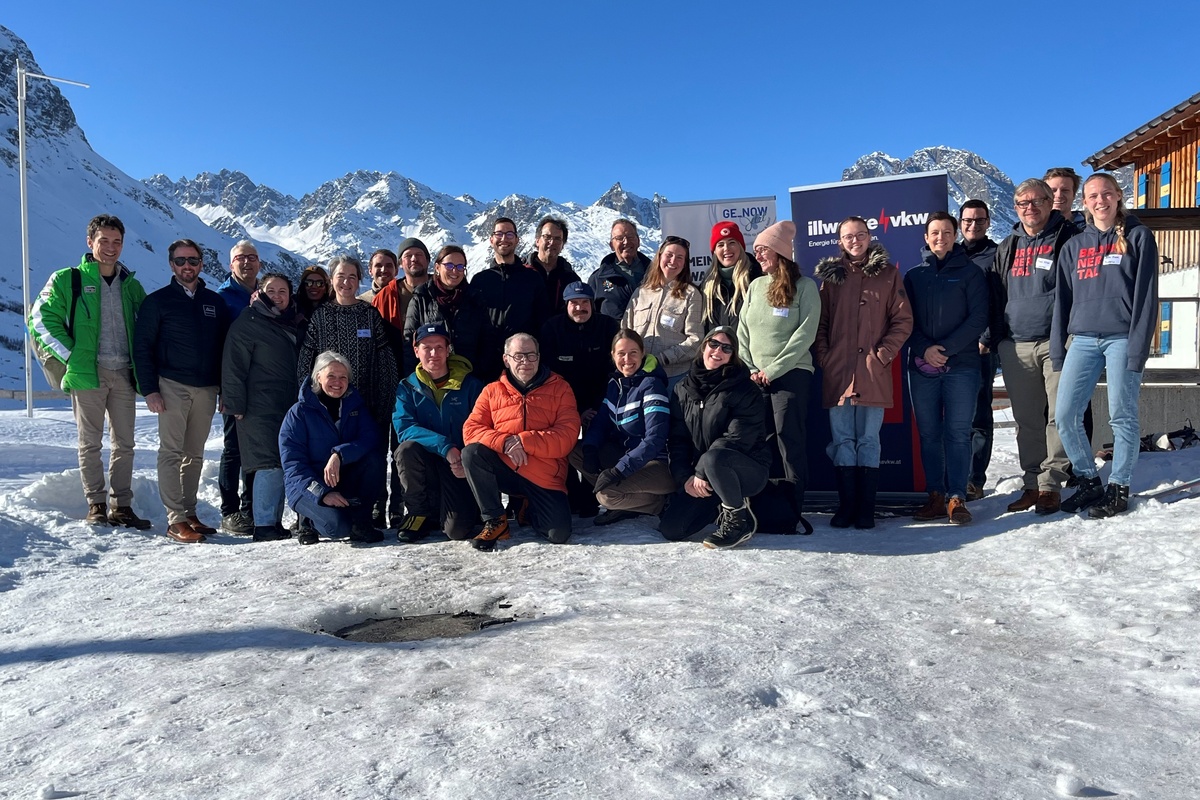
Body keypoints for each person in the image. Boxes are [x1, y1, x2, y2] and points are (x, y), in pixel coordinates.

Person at [28, 214, 150, 529]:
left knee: (125, 444)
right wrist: (72, 356)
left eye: (117, 241)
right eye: (103, 240)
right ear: (90, 242)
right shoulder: (67, 279)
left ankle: (122, 506)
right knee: (90, 443)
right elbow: (40, 318)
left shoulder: (131, 285)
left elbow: (149, 327)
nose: (111, 247)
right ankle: (96, 504)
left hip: (124, 374)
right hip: (87, 375)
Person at [1053, 172, 1159, 518]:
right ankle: (1088, 481)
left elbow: (1146, 297)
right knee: (1065, 415)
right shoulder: (1074, 247)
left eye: (1106, 194)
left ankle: (1119, 487)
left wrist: (1138, 346)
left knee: (1121, 415)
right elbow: (1062, 302)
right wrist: (1058, 349)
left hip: (1122, 338)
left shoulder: (1138, 237)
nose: (1100, 201)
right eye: (1093, 196)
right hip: (1082, 339)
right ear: (1084, 202)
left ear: (1118, 196)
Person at [813, 216, 912, 530]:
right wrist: (825, 357)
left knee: (869, 440)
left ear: (869, 237)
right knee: (842, 440)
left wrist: (882, 355)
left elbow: (903, 321)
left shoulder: (889, 274)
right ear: (840, 242)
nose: (854, 241)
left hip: (872, 372)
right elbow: (821, 322)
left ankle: (866, 509)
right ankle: (847, 507)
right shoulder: (831, 279)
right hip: (839, 373)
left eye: (860, 235)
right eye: (848, 236)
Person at [133, 239, 231, 543]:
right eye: (180, 261)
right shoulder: (157, 302)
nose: (187, 266)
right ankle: (175, 519)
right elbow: (142, 348)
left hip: (207, 388)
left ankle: (189, 513)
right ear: (171, 264)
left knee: (195, 454)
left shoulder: (214, 302)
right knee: (171, 453)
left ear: (201, 263)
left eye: (192, 260)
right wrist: (150, 389)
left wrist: (224, 389)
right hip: (171, 385)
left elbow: (224, 349)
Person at [990, 179, 1078, 515]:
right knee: (1027, 420)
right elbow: (996, 293)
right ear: (1015, 207)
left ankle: (1051, 486)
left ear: (1049, 202)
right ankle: (1031, 483)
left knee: (1059, 416)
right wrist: (996, 337)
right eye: (1022, 203)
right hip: (1016, 345)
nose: (1030, 208)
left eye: (1037, 201)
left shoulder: (1068, 237)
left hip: (1058, 341)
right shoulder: (1008, 245)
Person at [299, 255, 399, 529]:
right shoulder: (321, 316)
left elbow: (385, 361)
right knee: (325, 455)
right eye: (341, 276)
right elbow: (306, 360)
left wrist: (385, 400)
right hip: (327, 407)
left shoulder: (369, 314)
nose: (346, 282)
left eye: (352, 277)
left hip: (367, 404)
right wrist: (308, 399)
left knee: (370, 456)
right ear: (332, 280)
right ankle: (316, 513)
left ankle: (373, 508)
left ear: (359, 280)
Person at [904, 213, 989, 525]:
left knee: (957, 433)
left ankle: (956, 497)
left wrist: (946, 349)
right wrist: (925, 349)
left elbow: (979, 318)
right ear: (926, 238)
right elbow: (903, 321)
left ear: (955, 236)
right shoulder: (913, 276)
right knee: (929, 434)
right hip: (922, 366)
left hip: (961, 366)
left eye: (947, 232)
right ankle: (935, 496)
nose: (940, 237)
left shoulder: (971, 272)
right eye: (935, 233)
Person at [738, 220, 821, 534]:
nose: (757, 255)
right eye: (756, 250)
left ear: (781, 252)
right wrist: (750, 368)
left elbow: (805, 334)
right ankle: (766, 509)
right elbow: (742, 330)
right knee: (763, 443)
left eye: (763, 250)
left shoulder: (805, 287)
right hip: (755, 379)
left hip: (791, 374)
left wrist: (771, 370)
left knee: (789, 441)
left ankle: (792, 511)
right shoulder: (755, 286)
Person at [461, 334, 581, 550]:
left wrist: (524, 440)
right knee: (472, 453)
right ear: (506, 359)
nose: (525, 361)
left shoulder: (560, 388)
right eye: (518, 356)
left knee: (558, 534)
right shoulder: (491, 391)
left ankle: (528, 507)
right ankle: (496, 520)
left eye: (530, 355)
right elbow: (471, 429)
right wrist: (505, 441)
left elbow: (567, 436)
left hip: (543, 476)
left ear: (539, 357)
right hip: (505, 468)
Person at [659, 327, 772, 549]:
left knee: (713, 458)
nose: (718, 351)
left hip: (745, 470)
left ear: (733, 355)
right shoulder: (682, 389)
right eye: (714, 344)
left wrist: (702, 469)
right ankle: (718, 506)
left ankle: (738, 521)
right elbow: (678, 440)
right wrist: (685, 478)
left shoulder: (746, 389)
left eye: (726, 348)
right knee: (672, 529)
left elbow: (738, 437)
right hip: (702, 477)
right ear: (704, 347)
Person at [221, 272, 305, 541]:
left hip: (286, 402)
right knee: (268, 462)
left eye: (283, 291)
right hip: (258, 404)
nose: (277, 296)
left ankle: (273, 522)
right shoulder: (249, 321)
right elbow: (233, 366)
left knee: (279, 460)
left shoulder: (292, 320)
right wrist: (235, 404)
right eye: (271, 290)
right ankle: (265, 525)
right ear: (260, 292)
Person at [571, 329, 675, 524]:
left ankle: (659, 504)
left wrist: (618, 471)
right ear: (613, 355)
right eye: (621, 353)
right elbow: (601, 422)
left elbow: (655, 439)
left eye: (633, 352)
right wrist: (590, 448)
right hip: (629, 456)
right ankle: (627, 503)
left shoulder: (651, 385)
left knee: (606, 495)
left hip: (657, 463)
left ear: (642, 353)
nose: (627, 359)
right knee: (577, 451)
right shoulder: (615, 383)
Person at [392, 324, 485, 542]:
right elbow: (404, 428)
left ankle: (464, 509)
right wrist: (445, 447)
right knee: (406, 449)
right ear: (416, 351)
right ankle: (418, 513)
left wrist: (466, 459)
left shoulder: (471, 385)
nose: (433, 353)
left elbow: (482, 426)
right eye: (427, 348)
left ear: (448, 350)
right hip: (428, 461)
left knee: (457, 531)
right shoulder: (407, 387)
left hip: (459, 465)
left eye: (439, 347)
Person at [279, 352, 383, 544]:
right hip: (306, 486)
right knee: (337, 528)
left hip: (340, 479)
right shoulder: (298, 413)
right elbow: (293, 465)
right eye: (331, 376)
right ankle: (307, 521)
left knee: (373, 460)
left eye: (343, 377)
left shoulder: (355, 407)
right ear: (318, 377)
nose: (337, 382)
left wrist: (339, 454)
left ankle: (361, 523)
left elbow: (369, 438)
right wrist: (322, 493)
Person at [540, 281, 620, 515]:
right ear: (566, 305)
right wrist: (576, 410)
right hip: (564, 399)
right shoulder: (552, 328)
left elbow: (614, 371)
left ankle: (595, 491)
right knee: (562, 445)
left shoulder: (607, 326)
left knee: (598, 443)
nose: (579, 307)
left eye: (585, 302)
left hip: (601, 398)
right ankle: (570, 493)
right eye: (574, 303)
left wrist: (595, 407)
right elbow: (548, 373)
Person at [215, 240, 262, 534]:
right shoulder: (222, 299)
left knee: (256, 448)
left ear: (260, 263)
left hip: (262, 385)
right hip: (234, 385)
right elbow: (216, 346)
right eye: (241, 258)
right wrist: (225, 389)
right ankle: (230, 511)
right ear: (230, 264)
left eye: (252, 258)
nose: (247, 263)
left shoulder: (266, 294)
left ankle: (251, 509)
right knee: (233, 448)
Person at [469, 217, 549, 381]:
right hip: (486, 362)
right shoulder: (480, 280)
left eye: (509, 234)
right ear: (491, 239)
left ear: (517, 240)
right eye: (499, 234)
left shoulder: (532, 278)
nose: (504, 239)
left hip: (522, 361)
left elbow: (543, 320)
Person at [622, 236, 704, 388]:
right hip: (639, 374)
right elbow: (625, 332)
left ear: (685, 263)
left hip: (674, 377)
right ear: (659, 257)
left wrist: (661, 359)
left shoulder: (692, 294)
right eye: (669, 255)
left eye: (680, 257)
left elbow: (695, 341)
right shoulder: (640, 292)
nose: (673, 261)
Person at [959, 200, 999, 501]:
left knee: (979, 416)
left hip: (981, 348)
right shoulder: (951, 253)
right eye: (968, 220)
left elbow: (1000, 300)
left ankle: (975, 480)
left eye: (979, 220)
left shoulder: (997, 255)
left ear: (988, 222)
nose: (973, 226)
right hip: (952, 347)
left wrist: (986, 338)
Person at [403, 244, 485, 372]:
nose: (455, 271)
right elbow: (409, 342)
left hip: (468, 375)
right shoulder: (421, 298)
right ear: (437, 267)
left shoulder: (475, 299)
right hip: (431, 376)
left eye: (460, 267)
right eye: (449, 266)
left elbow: (485, 340)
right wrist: (414, 378)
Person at [374, 237, 433, 370]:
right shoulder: (386, 296)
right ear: (400, 263)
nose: (414, 259)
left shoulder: (442, 291)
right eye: (408, 256)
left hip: (438, 364)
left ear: (428, 260)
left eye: (419, 255)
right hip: (398, 367)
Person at [701, 221, 761, 330]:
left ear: (740, 247)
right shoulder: (707, 284)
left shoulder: (756, 278)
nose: (726, 248)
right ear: (714, 252)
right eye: (720, 245)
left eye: (732, 242)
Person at [589, 218, 651, 320]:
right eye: (619, 238)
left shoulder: (656, 273)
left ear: (638, 241)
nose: (626, 242)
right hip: (613, 330)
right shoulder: (598, 278)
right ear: (611, 245)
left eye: (630, 237)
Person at [527, 216, 582, 317]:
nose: (552, 242)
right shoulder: (521, 272)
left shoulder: (571, 279)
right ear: (537, 241)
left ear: (562, 245)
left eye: (557, 239)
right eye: (547, 237)